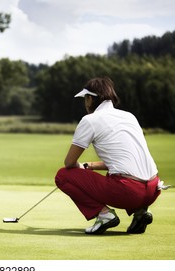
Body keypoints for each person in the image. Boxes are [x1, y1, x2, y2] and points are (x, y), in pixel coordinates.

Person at [55, 77, 167, 235]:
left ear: (90, 98)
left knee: (63, 176)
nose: (85, 103)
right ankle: (140, 212)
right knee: (116, 174)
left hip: (128, 192)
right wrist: (91, 166)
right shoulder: (129, 116)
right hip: (153, 190)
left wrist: (80, 168)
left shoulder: (89, 120)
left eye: (85, 99)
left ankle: (104, 215)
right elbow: (125, 159)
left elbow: (69, 163)